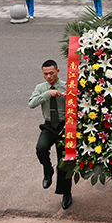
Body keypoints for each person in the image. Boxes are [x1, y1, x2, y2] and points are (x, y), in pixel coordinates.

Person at [27, 59, 73, 209]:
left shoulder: (66, 86)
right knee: (41, 148)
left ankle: (66, 192)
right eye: (45, 74)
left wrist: (68, 97)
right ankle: (48, 172)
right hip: (48, 125)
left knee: (65, 160)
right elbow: (31, 103)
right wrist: (48, 94)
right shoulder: (41, 88)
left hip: (64, 125)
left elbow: (77, 103)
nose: (48, 76)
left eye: (51, 73)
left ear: (58, 71)